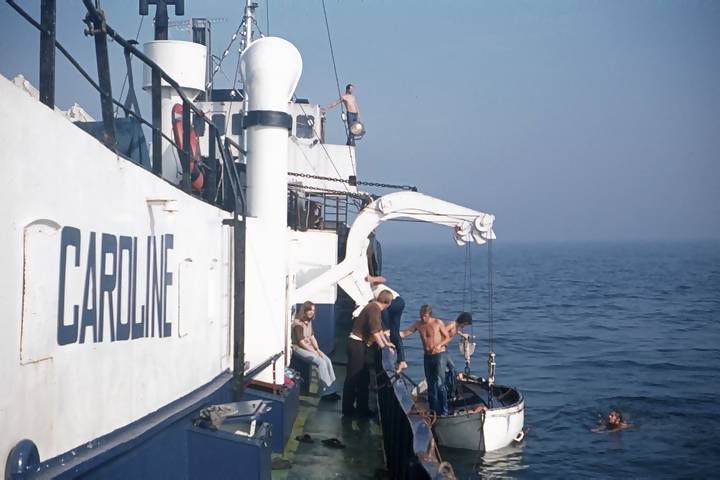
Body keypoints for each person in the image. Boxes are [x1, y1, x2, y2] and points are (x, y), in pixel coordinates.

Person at [342, 290, 395, 417]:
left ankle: (362, 407)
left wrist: (386, 344)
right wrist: (383, 346)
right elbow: (375, 331)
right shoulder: (374, 309)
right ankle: (348, 409)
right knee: (353, 377)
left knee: (364, 377)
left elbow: (379, 330)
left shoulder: (373, 307)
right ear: (388, 302)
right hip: (357, 344)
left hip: (361, 344)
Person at [401, 304, 451, 416]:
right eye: (421, 316)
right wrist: (391, 334)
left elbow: (447, 337)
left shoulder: (438, 323)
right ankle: (433, 410)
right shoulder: (418, 324)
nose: (423, 318)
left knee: (439, 384)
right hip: (427, 356)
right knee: (430, 384)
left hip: (439, 355)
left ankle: (444, 411)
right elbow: (404, 333)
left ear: (430, 315)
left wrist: (440, 345)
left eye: (425, 316)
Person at [291, 301, 340, 401]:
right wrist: (314, 352)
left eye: (313, 310)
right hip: (298, 348)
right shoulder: (298, 324)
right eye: (309, 310)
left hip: (308, 347)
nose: (312, 312)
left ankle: (332, 389)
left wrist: (318, 350)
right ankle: (325, 392)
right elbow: (301, 342)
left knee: (327, 360)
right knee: (321, 362)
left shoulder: (308, 322)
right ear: (304, 311)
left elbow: (312, 337)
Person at [366, 275, 407, 372]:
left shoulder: (367, 282)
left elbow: (383, 279)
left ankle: (388, 348)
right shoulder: (365, 293)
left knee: (385, 327)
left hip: (393, 301)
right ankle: (402, 360)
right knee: (395, 332)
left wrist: (371, 279)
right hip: (399, 302)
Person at [434, 312, 473, 400]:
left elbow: (455, 331)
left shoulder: (456, 326)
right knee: (450, 370)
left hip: (444, 351)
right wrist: (440, 344)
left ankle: (452, 390)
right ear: (463, 321)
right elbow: (441, 332)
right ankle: (449, 391)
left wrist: (463, 335)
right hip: (441, 351)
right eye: (466, 324)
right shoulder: (452, 324)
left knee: (452, 370)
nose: (465, 326)